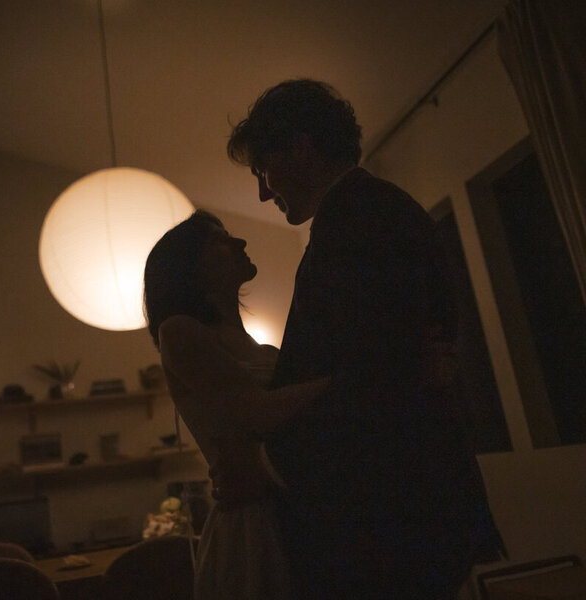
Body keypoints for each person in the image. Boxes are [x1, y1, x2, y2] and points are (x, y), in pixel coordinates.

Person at [209, 79, 505, 599]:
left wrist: (262, 465)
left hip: (392, 519)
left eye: (262, 170)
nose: (261, 192)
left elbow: (373, 377)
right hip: (403, 515)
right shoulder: (365, 213)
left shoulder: (358, 221)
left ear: (302, 146)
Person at [143, 209, 331, 599]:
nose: (239, 243)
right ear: (188, 267)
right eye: (219, 239)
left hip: (290, 501)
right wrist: (345, 378)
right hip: (252, 520)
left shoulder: (263, 347)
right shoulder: (179, 331)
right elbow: (260, 411)